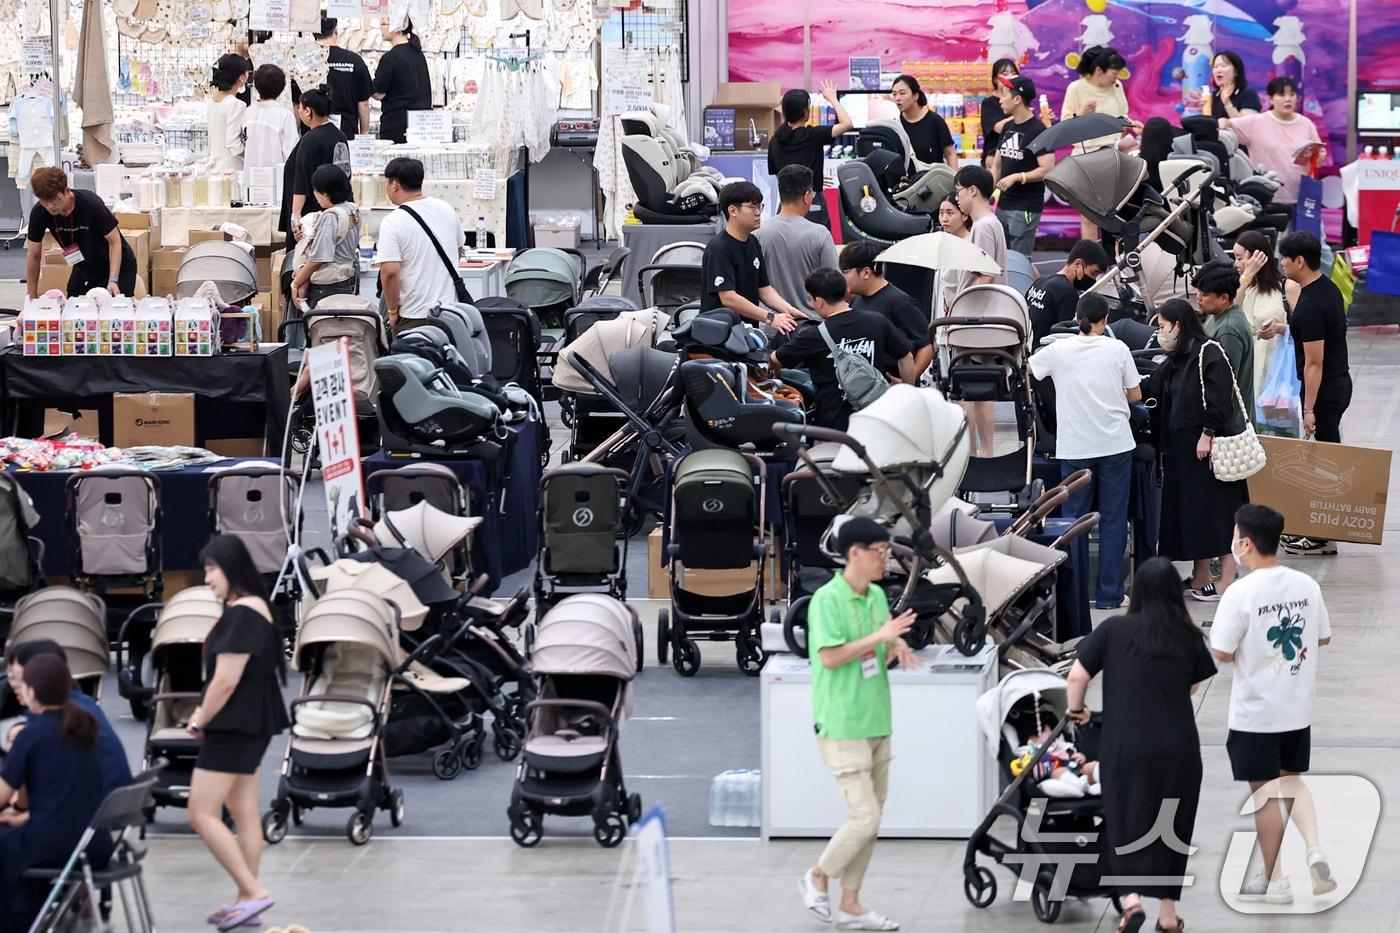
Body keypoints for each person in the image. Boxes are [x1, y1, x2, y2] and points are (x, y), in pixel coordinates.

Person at [1066, 557, 1217, 933]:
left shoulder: (1114, 631)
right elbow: (1194, 685)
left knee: (1124, 819)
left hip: (1126, 746)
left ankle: (1131, 901)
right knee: (1173, 826)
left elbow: (1076, 677)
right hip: (1178, 749)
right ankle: (1167, 915)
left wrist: (1077, 713)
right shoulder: (1188, 636)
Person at [1209, 504, 1335, 904]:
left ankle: (1276, 879)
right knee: (1292, 781)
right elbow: (1322, 638)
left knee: (1264, 794)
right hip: (1296, 709)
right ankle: (1314, 848)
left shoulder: (1239, 594)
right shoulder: (1307, 586)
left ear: (1244, 543)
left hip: (1255, 715)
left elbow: (1222, 652)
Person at [797, 517, 917, 933]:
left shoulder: (878, 598)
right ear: (854, 554)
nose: (886, 560)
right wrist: (881, 635)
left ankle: (850, 903)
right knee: (864, 818)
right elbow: (829, 657)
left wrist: (895, 644)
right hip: (842, 722)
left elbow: (878, 651)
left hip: (877, 719)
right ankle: (818, 876)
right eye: (879, 552)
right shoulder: (826, 600)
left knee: (872, 820)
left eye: (888, 552)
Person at [186, 535, 289, 932]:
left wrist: (199, 718)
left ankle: (252, 890)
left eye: (212, 569)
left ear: (233, 569)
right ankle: (247, 898)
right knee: (244, 812)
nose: (207, 577)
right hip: (251, 723)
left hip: (233, 725)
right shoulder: (253, 610)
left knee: (200, 813)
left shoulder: (244, 614)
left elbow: (225, 681)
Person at [1028, 294, 1142, 609]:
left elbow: (1027, 371)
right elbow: (1135, 395)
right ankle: (1109, 594)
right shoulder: (1118, 349)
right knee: (1114, 518)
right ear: (1105, 320)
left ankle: (1072, 595)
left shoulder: (1058, 350)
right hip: (1116, 444)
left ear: (1078, 317)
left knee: (1073, 520)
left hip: (1074, 446)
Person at [1143, 299, 1250, 600]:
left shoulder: (1210, 352)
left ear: (1179, 325)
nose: (1161, 333)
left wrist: (1207, 434)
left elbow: (1219, 399)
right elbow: (1152, 387)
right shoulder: (1178, 358)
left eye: (1163, 327)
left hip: (1207, 449)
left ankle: (1226, 579)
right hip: (1183, 453)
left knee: (1217, 512)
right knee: (1195, 514)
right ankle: (1200, 575)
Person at [0, 654, 116, 930]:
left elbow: (3, 795)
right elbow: (70, 796)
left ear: (31, 691)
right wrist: (25, 819)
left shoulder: (31, 733)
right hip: (95, 844)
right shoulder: (85, 724)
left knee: (6, 846)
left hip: (58, 847)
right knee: (14, 836)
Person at [1263, 231, 1351, 556]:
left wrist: (1309, 409)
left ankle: (1323, 536)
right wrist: (1282, 329)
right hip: (1338, 383)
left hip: (1324, 391)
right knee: (1324, 458)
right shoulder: (1326, 289)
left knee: (1325, 463)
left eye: (1284, 258)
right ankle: (1321, 531)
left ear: (1299, 260)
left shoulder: (1311, 303)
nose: (1281, 263)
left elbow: (1314, 363)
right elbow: (1314, 335)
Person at [772, 268, 917, 431]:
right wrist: (906, 390)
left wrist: (776, 376)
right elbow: (907, 357)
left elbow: (775, 360)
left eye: (811, 300)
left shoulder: (814, 334)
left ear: (819, 301)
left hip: (833, 424)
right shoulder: (877, 321)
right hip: (875, 415)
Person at [3, 640, 131, 795]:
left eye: (18, 677)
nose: (14, 684)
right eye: (11, 677)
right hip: (111, 803)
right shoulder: (83, 706)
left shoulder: (47, 722)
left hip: (89, 807)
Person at [953, 166, 1008, 458]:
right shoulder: (990, 223)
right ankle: (980, 450)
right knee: (977, 390)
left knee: (975, 390)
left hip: (978, 320)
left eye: (959, 191)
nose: (957, 198)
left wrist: (961, 303)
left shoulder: (983, 226)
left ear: (973, 190)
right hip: (983, 318)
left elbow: (985, 274)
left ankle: (981, 452)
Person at [699, 181, 803, 334]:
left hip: (747, 334)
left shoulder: (753, 241)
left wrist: (790, 310)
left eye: (760, 206)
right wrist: (770, 318)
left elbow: (764, 289)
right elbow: (728, 297)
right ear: (733, 210)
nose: (758, 212)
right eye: (752, 206)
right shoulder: (719, 248)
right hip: (720, 335)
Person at [378, 157, 467, 334]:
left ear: (394, 185)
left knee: (413, 361)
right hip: (449, 310)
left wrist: (392, 311)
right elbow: (458, 249)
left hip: (414, 314)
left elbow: (389, 272)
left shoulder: (392, 221)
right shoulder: (445, 208)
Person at [25, 167, 138, 298]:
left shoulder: (91, 204)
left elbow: (115, 242)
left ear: (66, 191)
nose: (50, 206)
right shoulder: (39, 212)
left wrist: (113, 280)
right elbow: (33, 255)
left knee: (113, 309)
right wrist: (31, 297)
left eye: (54, 200)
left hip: (117, 264)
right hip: (83, 265)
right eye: (44, 201)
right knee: (74, 302)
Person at [1062, 46, 1137, 240]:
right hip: (1087, 155)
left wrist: (1128, 124)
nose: (1116, 77)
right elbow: (1065, 125)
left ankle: (1116, 259)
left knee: (1115, 213)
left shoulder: (1117, 87)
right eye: (1113, 72)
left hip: (1114, 153)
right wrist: (1081, 114)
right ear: (1098, 70)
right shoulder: (1076, 88)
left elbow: (1123, 114)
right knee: (1089, 215)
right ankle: (1091, 262)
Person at [1219, 77, 1322, 211]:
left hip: (1302, 199)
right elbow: (1228, 123)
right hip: (1268, 198)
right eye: (1282, 94)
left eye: (1292, 94)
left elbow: (1318, 160)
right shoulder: (1256, 122)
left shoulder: (1306, 124)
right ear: (1271, 99)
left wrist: (1318, 155)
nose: (1288, 99)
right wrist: (1222, 122)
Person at [752, 165, 838, 317]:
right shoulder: (820, 234)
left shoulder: (758, 235)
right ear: (806, 196)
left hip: (772, 326)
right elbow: (834, 284)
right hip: (812, 325)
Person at [839, 239, 933, 377]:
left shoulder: (899, 301)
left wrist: (907, 382)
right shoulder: (857, 300)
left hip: (893, 390)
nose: (843, 278)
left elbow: (926, 346)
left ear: (866, 272)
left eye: (846, 272)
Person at [767, 83, 852, 228]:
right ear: (806, 113)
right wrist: (833, 98)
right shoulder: (813, 135)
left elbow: (779, 177)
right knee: (817, 245)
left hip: (785, 206)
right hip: (811, 203)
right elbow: (847, 124)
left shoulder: (775, 141)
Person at [990, 74, 1053, 257]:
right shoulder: (1008, 127)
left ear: (1017, 99)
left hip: (1025, 205)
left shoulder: (1038, 130)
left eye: (1004, 95)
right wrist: (986, 192)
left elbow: (1047, 169)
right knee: (1001, 257)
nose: (1000, 100)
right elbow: (997, 166)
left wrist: (1018, 177)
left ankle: (1030, 287)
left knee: (1020, 260)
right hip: (1002, 204)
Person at [1232, 230, 1293, 409]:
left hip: (1276, 367)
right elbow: (1232, 310)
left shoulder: (1285, 287)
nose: (1236, 263)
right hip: (1246, 367)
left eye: (1239, 257)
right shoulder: (1241, 286)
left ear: (1256, 256)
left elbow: (1301, 327)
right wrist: (1247, 275)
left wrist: (1279, 328)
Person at [291, 165, 361, 308]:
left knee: (322, 328)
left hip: (327, 285)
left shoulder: (331, 217)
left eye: (316, 190)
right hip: (346, 280)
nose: (314, 194)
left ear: (325, 193)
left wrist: (296, 283)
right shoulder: (352, 209)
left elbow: (319, 259)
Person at [1195, 261, 1256, 421]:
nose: (1198, 297)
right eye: (1198, 291)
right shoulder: (1216, 315)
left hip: (1230, 426)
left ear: (1224, 298)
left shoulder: (1229, 330)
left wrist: (1209, 428)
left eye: (1205, 294)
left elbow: (1223, 385)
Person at [1026, 239, 1109, 346]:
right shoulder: (1067, 293)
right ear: (1078, 264)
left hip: (1028, 348)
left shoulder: (1040, 281)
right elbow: (1069, 336)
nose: (1094, 280)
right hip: (1046, 349)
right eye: (1093, 273)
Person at [290, 88, 350, 232]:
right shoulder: (340, 135)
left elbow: (301, 179)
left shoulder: (309, 139)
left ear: (308, 111)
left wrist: (296, 213)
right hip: (340, 206)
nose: (298, 111)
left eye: (300, 107)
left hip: (313, 211)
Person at [374, 11, 431, 145]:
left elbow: (378, 93)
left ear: (396, 27)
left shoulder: (391, 57)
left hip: (396, 126)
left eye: (383, 23)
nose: (381, 27)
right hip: (421, 126)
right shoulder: (418, 54)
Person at [317, 16, 374, 138]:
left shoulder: (305, 62)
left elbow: (296, 104)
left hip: (312, 131)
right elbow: (363, 103)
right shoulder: (354, 60)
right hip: (346, 131)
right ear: (336, 31)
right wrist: (364, 134)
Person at [891, 74, 957, 171]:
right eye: (894, 94)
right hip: (906, 184)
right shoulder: (896, 125)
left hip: (933, 181)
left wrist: (954, 180)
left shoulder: (935, 121)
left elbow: (950, 154)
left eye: (902, 93)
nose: (897, 98)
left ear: (915, 96)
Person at [243, 65, 300, 170]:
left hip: (250, 176)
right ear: (282, 87)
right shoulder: (285, 115)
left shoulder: (248, 112)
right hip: (276, 179)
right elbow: (291, 152)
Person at [207, 53, 250, 172]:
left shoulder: (211, 102)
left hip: (214, 163)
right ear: (241, 77)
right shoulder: (236, 105)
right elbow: (233, 143)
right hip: (231, 166)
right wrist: (249, 157)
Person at [979, 58, 1020, 166]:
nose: (1010, 77)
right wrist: (1020, 113)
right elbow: (999, 128)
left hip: (1015, 159)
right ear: (995, 79)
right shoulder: (988, 103)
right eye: (1005, 73)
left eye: (1014, 73)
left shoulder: (1019, 100)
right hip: (992, 161)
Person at [937, 192, 972, 316]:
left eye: (950, 213)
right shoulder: (943, 243)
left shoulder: (969, 246)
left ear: (964, 216)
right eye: (941, 213)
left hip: (959, 316)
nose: (944, 218)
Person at [1207, 51, 1262, 120]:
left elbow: (1247, 124)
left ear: (1236, 71)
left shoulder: (1248, 94)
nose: (1218, 70)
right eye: (1215, 67)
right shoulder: (1215, 95)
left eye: (1223, 66)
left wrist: (1227, 103)